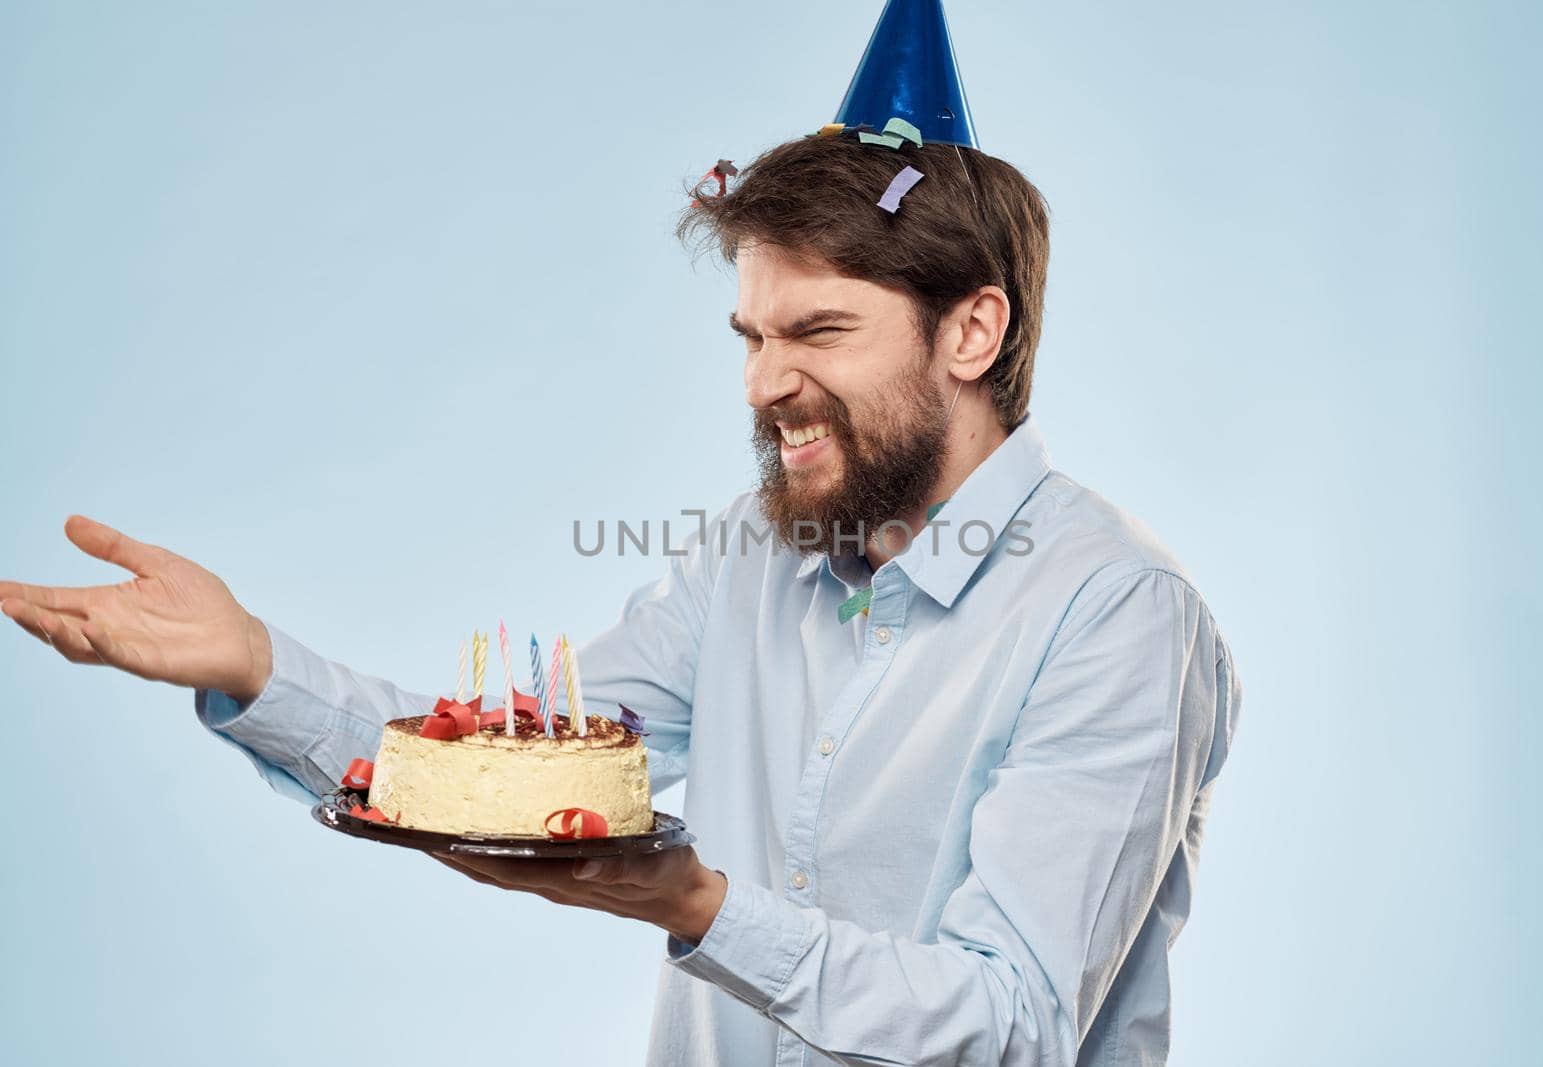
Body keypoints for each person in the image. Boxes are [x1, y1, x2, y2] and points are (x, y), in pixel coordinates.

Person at [0, 6, 1241, 1064]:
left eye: (815, 333)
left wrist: (701, 904)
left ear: (970, 333)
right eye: (752, 339)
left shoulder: (1114, 611)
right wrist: (255, 667)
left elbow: (1015, 1021)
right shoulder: (751, 561)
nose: (764, 385)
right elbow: (525, 771)